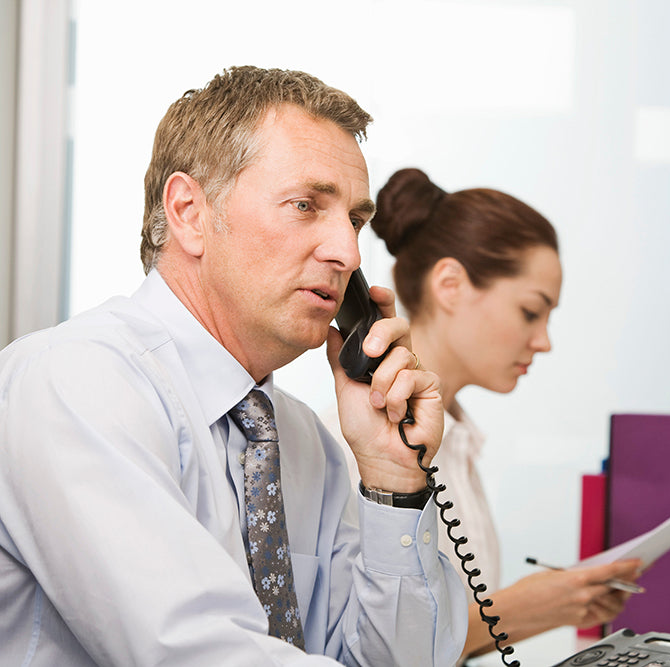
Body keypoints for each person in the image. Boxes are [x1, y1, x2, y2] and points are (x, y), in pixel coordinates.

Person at [0, 66, 466, 666]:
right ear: (190, 212)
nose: (348, 253)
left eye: (354, 221)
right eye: (305, 205)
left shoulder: (304, 444)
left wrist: (392, 480)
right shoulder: (75, 384)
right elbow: (202, 653)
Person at [324, 167, 641, 662]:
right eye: (531, 312)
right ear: (450, 284)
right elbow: (365, 644)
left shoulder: (459, 447)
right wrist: (525, 608)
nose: (544, 340)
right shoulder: (352, 445)